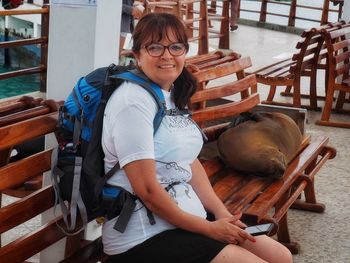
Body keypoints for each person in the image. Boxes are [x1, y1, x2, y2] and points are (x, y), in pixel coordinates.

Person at [102, 12, 293, 263]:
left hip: (184, 219)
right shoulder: (132, 103)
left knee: (280, 256)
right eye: (155, 47)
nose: (167, 55)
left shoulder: (168, 94)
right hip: (142, 236)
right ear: (137, 55)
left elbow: (190, 161)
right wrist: (210, 229)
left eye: (176, 47)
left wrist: (221, 214)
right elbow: (147, 190)